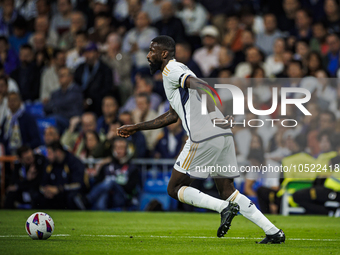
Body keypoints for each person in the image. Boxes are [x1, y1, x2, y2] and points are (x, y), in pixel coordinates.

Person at [117, 35, 285, 243]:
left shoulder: (171, 69)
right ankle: (273, 232)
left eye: (152, 51)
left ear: (164, 54)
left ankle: (224, 208)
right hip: (221, 133)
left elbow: (204, 86)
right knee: (227, 190)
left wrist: (220, 110)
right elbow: (172, 115)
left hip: (204, 134)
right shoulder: (177, 72)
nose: (148, 56)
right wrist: (136, 127)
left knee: (174, 188)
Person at [36, 141, 87, 209]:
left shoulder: (73, 162)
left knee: (73, 197)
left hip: (68, 193)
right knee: (37, 196)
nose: (48, 156)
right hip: (55, 195)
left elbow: (79, 184)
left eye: (50, 153)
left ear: (58, 152)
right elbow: (42, 183)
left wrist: (59, 189)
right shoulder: (49, 164)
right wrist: (47, 190)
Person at [44, 67, 83, 133]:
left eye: (63, 76)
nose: (60, 78)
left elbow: (71, 109)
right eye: (59, 76)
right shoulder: (55, 93)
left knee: (54, 119)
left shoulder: (76, 91)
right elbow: (46, 107)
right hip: (58, 118)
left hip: (70, 121)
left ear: (70, 77)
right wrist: (57, 108)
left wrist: (56, 108)